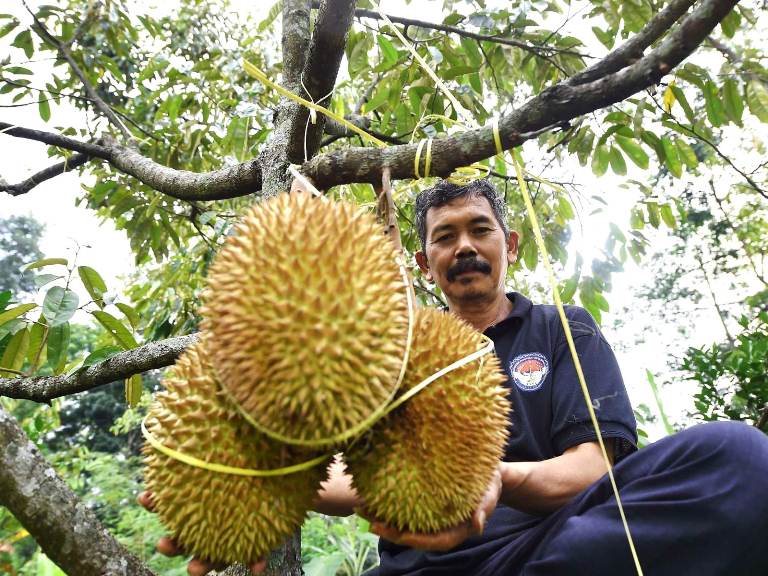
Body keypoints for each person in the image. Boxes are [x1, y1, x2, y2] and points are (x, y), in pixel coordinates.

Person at [141, 179, 768, 576]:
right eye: (445, 237)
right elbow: (339, 472)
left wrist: (494, 479)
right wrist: (256, 481)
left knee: (737, 455)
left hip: (543, 545)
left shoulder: (562, 328)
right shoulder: (381, 347)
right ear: (424, 262)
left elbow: (595, 467)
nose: (464, 246)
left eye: (479, 230)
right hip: (420, 566)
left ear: (510, 245)